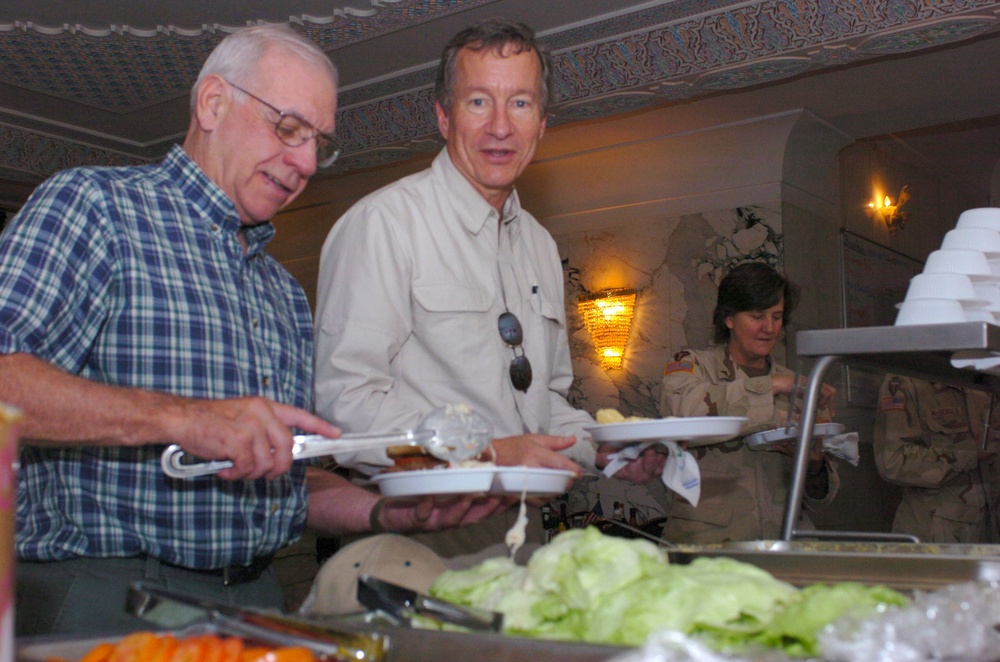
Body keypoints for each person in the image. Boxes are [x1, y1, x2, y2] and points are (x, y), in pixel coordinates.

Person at [0, 24, 504, 638]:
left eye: (320, 143)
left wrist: (387, 509)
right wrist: (187, 420)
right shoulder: (96, 207)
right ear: (213, 102)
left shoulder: (282, 291)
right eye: (288, 129)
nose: (306, 163)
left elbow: (285, 478)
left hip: (258, 598)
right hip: (105, 596)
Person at [313, 18, 662, 561]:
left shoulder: (541, 245)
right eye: (479, 102)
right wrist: (488, 453)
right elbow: (346, 404)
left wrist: (609, 451)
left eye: (520, 104)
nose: (500, 126)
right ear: (443, 116)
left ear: (542, 123)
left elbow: (544, 405)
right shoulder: (384, 223)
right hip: (415, 534)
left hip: (524, 534)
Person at [659, 262, 840, 543]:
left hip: (783, 543)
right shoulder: (693, 365)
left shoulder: (801, 387)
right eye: (757, 316)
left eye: (777, 316)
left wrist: (813, 461)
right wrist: (771, 386)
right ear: (729, 318)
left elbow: (821, 498)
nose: (769, 328)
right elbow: (681, 416)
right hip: (709, 548)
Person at [873, 374, 996, 543]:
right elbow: (892, 462)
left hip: (987, 537)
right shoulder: (905, 381)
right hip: (936, 538)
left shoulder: (983, 380)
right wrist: (970, 451)